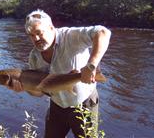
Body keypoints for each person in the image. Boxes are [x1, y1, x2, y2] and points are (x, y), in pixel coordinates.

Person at [11, 9, 111, 138]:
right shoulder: (34, 57)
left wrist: (91, 65)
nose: (36, 38)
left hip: (84, 103)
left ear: (51, 28)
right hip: (57, 105)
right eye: (31, 35)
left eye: (39, 33)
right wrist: (24, 88)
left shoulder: (71, 36)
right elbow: (40, 92)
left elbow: (103, 32)